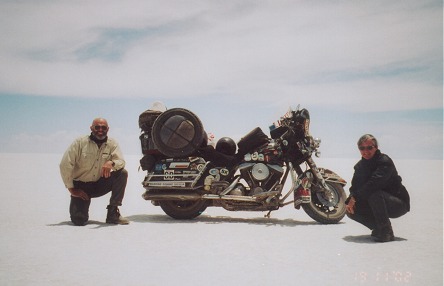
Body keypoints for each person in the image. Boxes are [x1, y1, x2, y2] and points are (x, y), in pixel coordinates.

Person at [59, 118, 129, 226]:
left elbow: (121, 161)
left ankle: (113, 213)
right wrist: (72, 189)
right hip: (81, 187)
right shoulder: (80, 143)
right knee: (79, 220)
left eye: (103, 127)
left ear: (108, 129)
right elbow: (65, 164)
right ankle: (80, 211)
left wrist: (111, 163)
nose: (100, 130)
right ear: (91, 128)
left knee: (122, 173)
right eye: (97, 127)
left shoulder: (112, 144)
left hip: (99, 184)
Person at [345, 134, 410, 242]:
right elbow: (354, 187)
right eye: (362, 148)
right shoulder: (359, 166)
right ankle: (378, 227)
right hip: (376, 202)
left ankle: (386, 231)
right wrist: (351, 199)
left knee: (374, 193)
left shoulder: (384, 161)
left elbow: (374, 184)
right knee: (350, 209)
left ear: (376, 148)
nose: (366, 151)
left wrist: (355, 197)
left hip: (397, 204)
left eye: (369, 147)